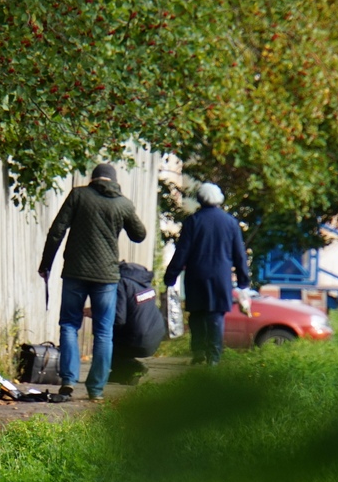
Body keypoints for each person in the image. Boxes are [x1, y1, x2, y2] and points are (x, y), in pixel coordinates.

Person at [38, 163, 147, 401]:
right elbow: (139, 235)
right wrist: (124, 216)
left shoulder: (78, 195)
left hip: (75, 272)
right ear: (114, 181)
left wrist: (46, 264)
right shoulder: (123, 204)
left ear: (94, 179)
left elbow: (57, 230)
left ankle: (68, 380)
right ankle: (96, 390)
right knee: (104, 332)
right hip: (106, 277)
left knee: (69, 325)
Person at [163, 182, 251, 365]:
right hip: (220, 277)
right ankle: (214, 357)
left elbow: (182, 252)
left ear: (200, 199)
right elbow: (239, 254)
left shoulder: (192, 222)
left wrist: (171, 276)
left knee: (196, 314)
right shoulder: (230, 223)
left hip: (196, 275)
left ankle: (198, 351)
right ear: (219, 199)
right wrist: (243, 280)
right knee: (216, 316)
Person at [110, 261, 165, 384]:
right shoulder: (142, 281)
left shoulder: (121, 282)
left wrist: (97, 314)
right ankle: (124, 375)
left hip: (140, 339)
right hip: (156, 334)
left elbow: (118, 319)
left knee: (105, 338)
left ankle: (132, 367)